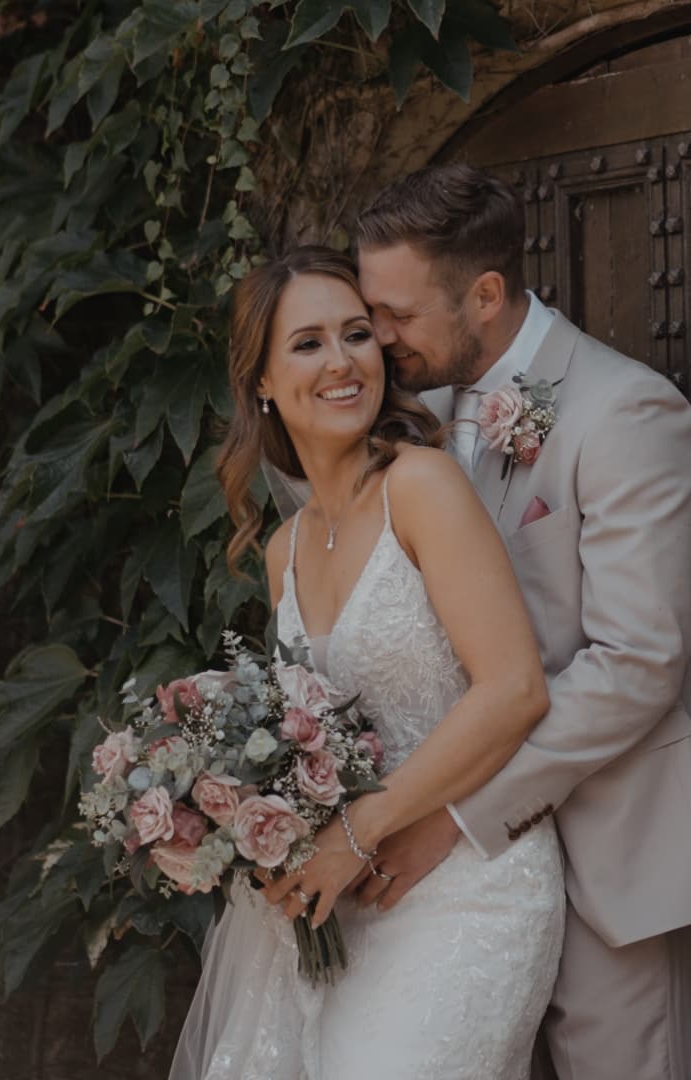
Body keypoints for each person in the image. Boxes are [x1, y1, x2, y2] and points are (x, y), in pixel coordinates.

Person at [343, 164, 691, 1080]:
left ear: (485, 294)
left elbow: (637, 662)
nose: (380, 339)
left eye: (398, 315)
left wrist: (454, 813)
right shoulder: (416, 419)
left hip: (615, 843)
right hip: (464, 894)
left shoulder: (628, 413)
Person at [172, 246, 565, 1080]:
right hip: (343, 898)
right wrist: (214, 824)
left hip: (467, 888)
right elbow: (300, 740)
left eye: (357, 334)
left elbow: (514, 690)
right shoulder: (282, 550)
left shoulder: (420, 487)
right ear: (264, 382)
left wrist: (356, 830)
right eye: (308, 343)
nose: (344, 361)